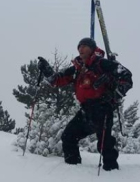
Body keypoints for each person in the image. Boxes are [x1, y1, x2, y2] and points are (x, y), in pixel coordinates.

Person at [37, 37, 133, 171]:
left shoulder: (102, 64)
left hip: (103, 108)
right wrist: (47, 70)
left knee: (105, 144)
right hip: (86, 110)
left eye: (84, 46)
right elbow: (57, 80)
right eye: (79, 46)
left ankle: (111, 171)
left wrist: (115, 94)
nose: (80, 49)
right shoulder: (77, 68)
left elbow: (126, 76)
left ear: (92, 49)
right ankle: (73, 168)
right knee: (68, 136)